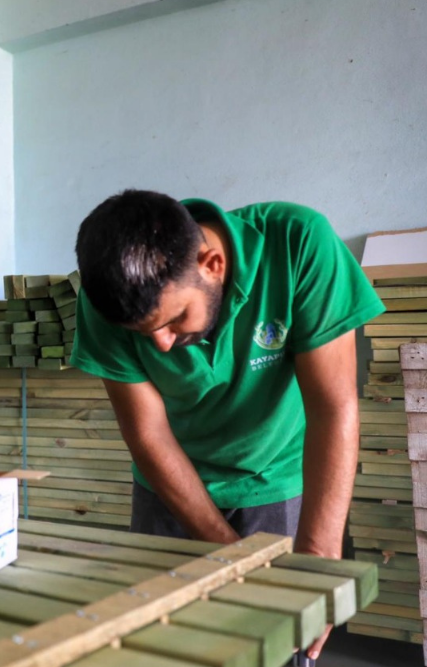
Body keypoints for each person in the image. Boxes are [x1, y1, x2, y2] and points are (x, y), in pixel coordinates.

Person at [71, 190, 383, 663]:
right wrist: (231, 556)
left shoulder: (297, 243)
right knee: (164, 647)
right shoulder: (106, 298)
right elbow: (149, 437)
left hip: (272, 481)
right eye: (143, 333)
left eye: (175, 320)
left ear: (212, 264)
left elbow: (333, 407)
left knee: (274, 646)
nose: (160, 344)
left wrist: (317, 562)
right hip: (169, 492)